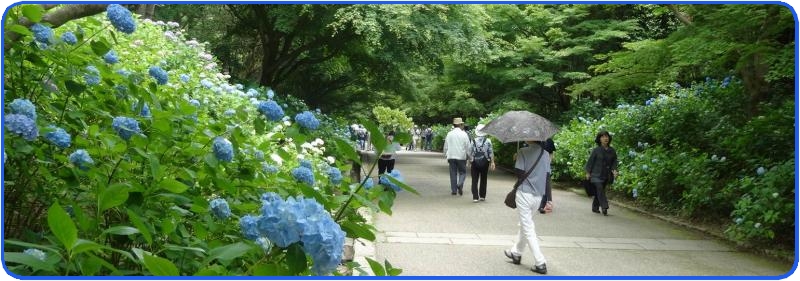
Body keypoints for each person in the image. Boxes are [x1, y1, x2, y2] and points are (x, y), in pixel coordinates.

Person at [504, 140, 550, 274]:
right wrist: (549, 199)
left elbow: (519, 174)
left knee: (528, 227)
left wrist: (517, 158)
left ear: (530, 138)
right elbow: (547, 176)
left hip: (524, 193)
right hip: (538, 195)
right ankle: (516, 253)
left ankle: (540, 262)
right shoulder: (546, 154)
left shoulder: (523, 152)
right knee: (525, 224)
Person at [584, 130, 618, 216]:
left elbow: (614, 162)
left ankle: (595, 207)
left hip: (606, 175)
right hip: (595, 175)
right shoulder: (596, 150)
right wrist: (588, 172)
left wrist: (614, 170)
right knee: (599, 187)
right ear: (599, 139)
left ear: (609, 138)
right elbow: (590, 161)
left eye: (606, 136)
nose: (605, 138)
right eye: (602, 137)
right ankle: (604, 206)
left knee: (600, 190)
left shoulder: (612, 150)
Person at [443, 118, 471, 196]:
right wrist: (470, 157)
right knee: (463, 172)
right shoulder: (464, 134)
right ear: (460, 125)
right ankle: (460, 184)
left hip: (451, 156)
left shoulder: (449, 134)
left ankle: (454, 190)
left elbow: (445, 146)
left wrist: (446, 155)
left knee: (453, 173)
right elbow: (468, 147)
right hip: (461, 156)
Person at [469, 124, 495, 202]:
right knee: (484, 178)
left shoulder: (473, 141)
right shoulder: (488, 141)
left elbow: (470, 152)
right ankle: (482, 196)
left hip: (475, 162)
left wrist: (469, 161)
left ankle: (475, 197)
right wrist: (492, 162)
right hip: (485, 162)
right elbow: (491, 152)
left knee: (474, 179)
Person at [537, 138, 556, 214]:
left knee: (545, 185)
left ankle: (543, 204)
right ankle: (541, 204)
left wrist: (548, 163)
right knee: (541, 185)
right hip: (539, 166)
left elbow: (551, 154)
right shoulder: (536, 140)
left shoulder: (549, 141)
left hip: (545, 166)